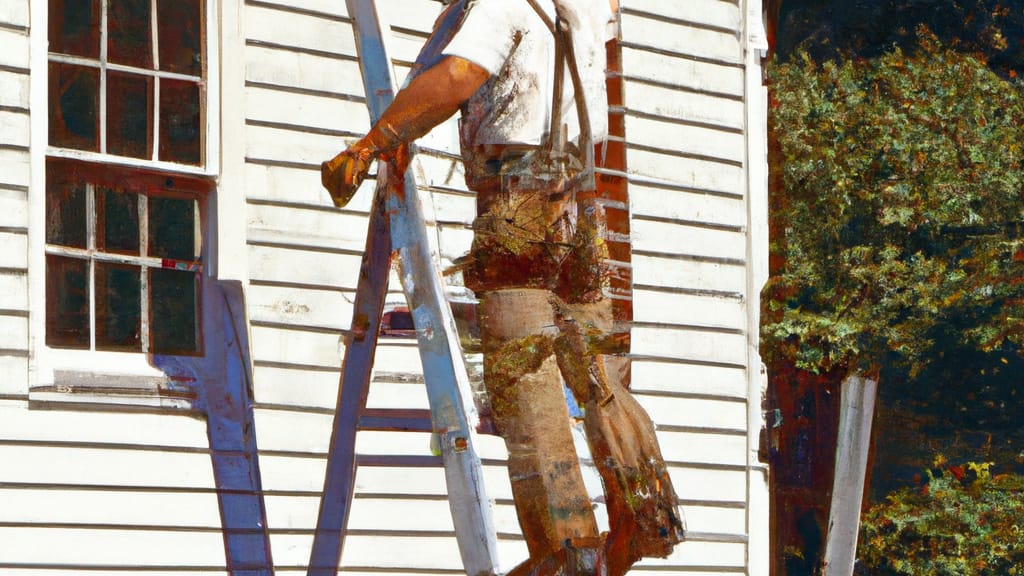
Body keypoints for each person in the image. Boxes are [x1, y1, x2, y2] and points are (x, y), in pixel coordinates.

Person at [322, 1, 684, 574]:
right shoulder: (588, 8)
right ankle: (645, 513)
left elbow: (459, 74)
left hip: (519, 208)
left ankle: (568, 551)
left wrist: (369, 145)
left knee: (527, 380)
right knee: (598, 376)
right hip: (582, 214)